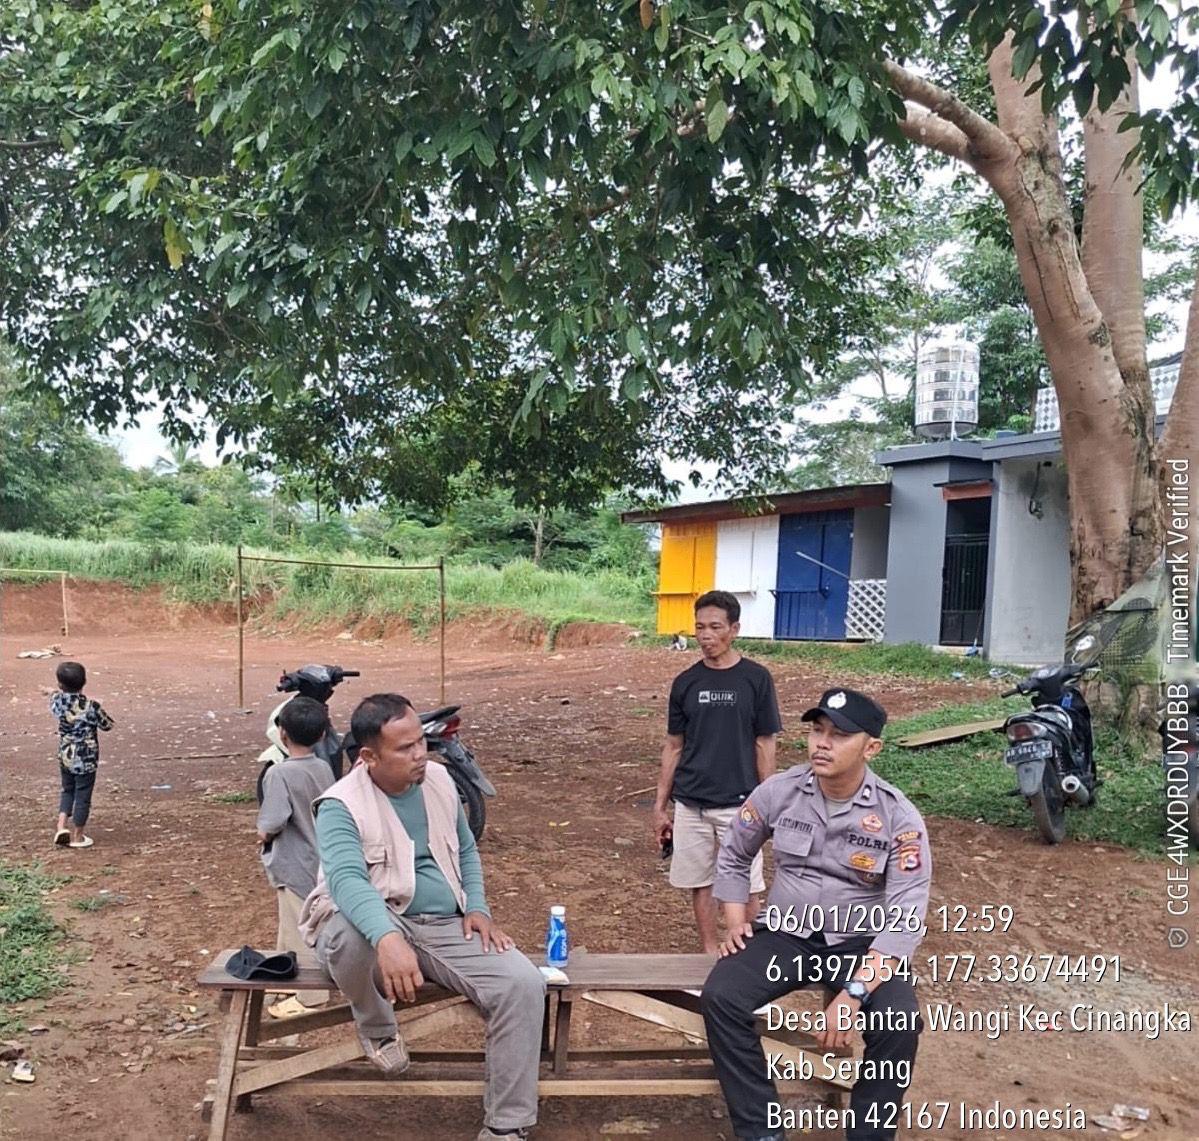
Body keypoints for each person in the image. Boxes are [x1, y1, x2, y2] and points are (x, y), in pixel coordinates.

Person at [299, 693, 544, 1141]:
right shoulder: (340, 804)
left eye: (421, 741)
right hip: (369, 923)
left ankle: (507, 1126)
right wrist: (387, 938)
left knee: (523, 984)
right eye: (405, 748)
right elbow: (347, 881)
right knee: (349, 936)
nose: (420, 754)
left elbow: (465, 849)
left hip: (440, 924)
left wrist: (477, 906)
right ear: (369, 757)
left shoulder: (441, 781)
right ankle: (377, 1026)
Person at [700, 687, 931, 1141]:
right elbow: (734, 852)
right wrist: (735, 919)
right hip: (786, 936)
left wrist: (853, 994)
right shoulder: (779, 791)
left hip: (861, 946)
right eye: (817, 731)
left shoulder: (897, 816)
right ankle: (762, 1130)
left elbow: (906, 915)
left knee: (899, 1022)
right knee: (721, 997)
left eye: (839, 735)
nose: (822, 744)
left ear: (871, 748)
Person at [655, 590, 782, 952]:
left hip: (740, 803)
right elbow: (674, 745)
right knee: (701, 882)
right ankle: (709, 951)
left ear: (734, 629)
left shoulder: (756, 679)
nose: (706, 635)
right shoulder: (686, 682)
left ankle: (746, 954)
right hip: (691, 802)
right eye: (700, 627)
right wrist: (660, 806)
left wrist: (768, 801)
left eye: (715, 627)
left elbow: (764, 743)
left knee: (747, 884)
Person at [256, 695, 336, 1017]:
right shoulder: (323, 768)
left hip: (294, 861)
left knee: (298, 928)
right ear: (322, 735)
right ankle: (284, 976)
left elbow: (273, 820)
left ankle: (311, 997)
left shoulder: (279, 774)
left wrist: (262, 834)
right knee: (290, 924)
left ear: (283, 733)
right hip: (321, 858)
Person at [50, 661, 114, 850]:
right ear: (84, 682)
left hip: (65, 754)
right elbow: (107, 725)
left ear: (60, 684)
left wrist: (52, 692)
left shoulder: (57, 701)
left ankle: (61, 826)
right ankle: (78, 836)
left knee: (67, 789)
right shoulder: (91, 706)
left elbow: (55, 699)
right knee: (83, 795)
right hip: (86, 758)